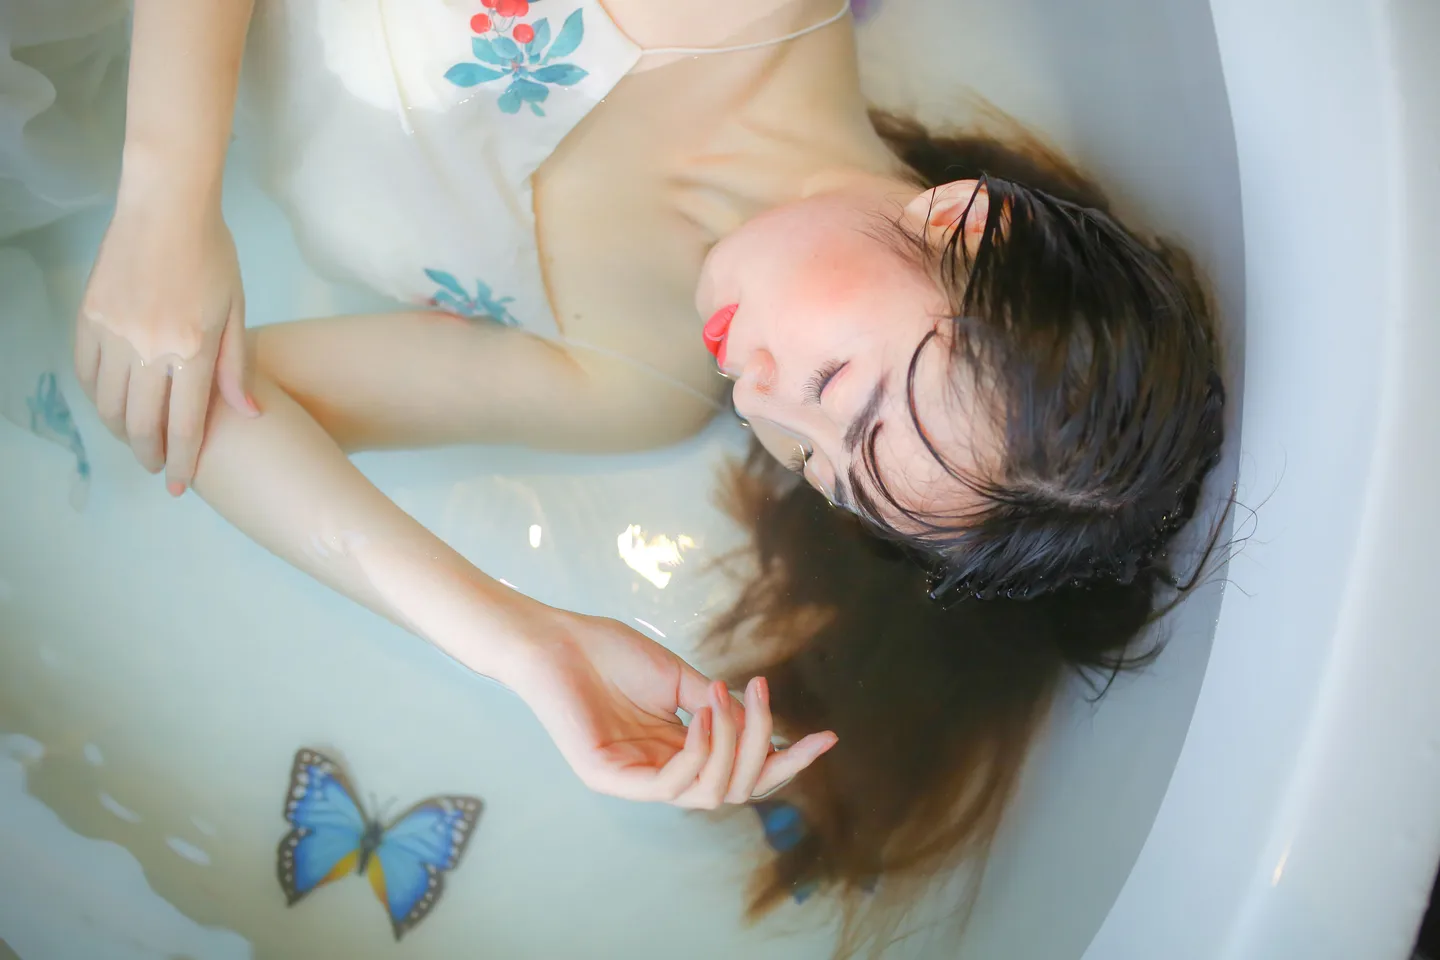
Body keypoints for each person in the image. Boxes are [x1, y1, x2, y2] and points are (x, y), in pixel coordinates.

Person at [77, 0, 1225, 946]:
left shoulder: (638, 387)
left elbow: (204, 408)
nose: (764, 401)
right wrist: (166, 196)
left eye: (821, 467)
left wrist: (526, 645)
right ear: (970, 228)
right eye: (839, 388)